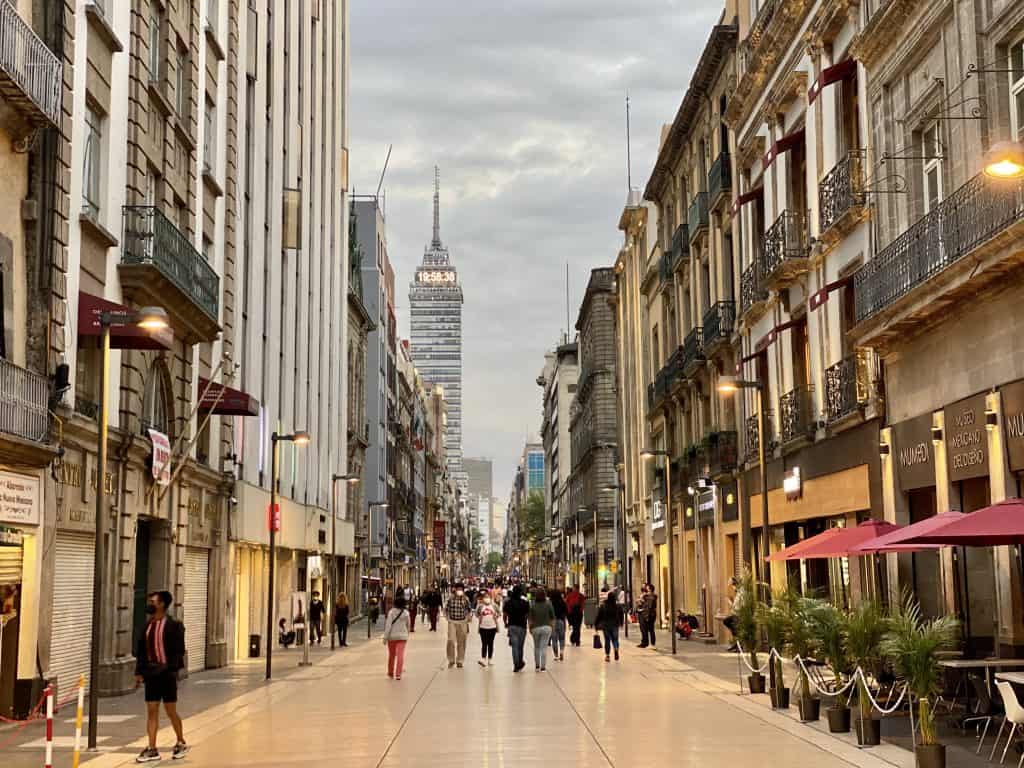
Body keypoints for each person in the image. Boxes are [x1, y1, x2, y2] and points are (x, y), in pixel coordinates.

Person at [134, 591, 188, 762]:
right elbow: (141, 651)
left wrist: (170, 669)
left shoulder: (174, 625)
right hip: (151, 674)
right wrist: (139, 671)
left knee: (170, 711)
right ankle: (152, 748)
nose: (150, 603)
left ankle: (180, 741)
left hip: (167, 674)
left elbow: (179, 651)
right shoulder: (147, 626)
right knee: (151, 710)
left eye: (153, 601)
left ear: (162, 604)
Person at [382, 593, 410, 680]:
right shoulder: (406, 613)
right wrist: (406, 634)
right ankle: (398, 674)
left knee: (392, 655)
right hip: (402, 637)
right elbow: (408, 625)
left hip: (392, 637)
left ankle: (390, 672)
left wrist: (385, 637)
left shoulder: (391, 612)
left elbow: (388, 625)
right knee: (400, 655)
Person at [527, 588, 555, 671]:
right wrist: (552, 627)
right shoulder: (548, 604)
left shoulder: (532, 605)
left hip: (535, 628)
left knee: (537, 647)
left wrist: (530, 628)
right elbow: (552, 617)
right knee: (543, 647)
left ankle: (537, 666)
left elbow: (530, 619)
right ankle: (543, 667)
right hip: (547, 627)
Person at [503, 585, 529, 672]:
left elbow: (505, 614)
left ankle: (516, 664)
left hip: (512, 626)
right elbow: (527, 615)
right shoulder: (525, 603)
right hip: (522, 626)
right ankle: (520, 662)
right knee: (520, 647)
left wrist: (505, 623)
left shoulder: (508, 602)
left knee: (514, 646)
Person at [445, 583, 471, 668]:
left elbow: (469, 609)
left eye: (461, 589)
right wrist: (447, 618)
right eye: (458, 589)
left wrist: (467, 619)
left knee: (462, 642)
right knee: (451, 640)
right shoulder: (450, 598)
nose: (459, 591)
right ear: (455, 590)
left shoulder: (465, 599)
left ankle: (460, 660)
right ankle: (451, 660)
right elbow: (446, 609)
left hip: (462, 622)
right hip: (452, 621)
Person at [596, 591, 624, 662]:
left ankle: (607, 656)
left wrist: (596, 624)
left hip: (606, 626)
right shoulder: (618, 606)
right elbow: (621, 615)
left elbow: (599, 616)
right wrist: (621, 623)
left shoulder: (603, 605)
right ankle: (616, 648)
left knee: (607, 640)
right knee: (615, 639)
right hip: (615, 625)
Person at [476, 593, 499, 667]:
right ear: (483, 599)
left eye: (488, 597)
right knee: (484, 643)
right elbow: (476, 614)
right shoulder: (480, 606)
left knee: (491, 643)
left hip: (492, 627)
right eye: (485, 597)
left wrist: (496, 616)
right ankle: (483, 658)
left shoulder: (494, 605)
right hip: (483, 627)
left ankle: (490, 659)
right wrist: (480, 616)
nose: (487, 598)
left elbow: (499, 613)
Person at [549, 588, 568, 661]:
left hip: (553, 622)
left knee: (554, 639)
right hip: (561, 621)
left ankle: (556, 655)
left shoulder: (550, 603)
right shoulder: (562, 602)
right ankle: (562, 652)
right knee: (562, 638)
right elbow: (566, 612)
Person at [639, 583, 657, 649]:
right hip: (649, 614)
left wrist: (646, 616)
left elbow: (649, 607)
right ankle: (651, 644)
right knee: (650, 629)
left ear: (649, 589)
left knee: (651, 629)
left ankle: (652, 644)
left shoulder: (651, 597)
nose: (646, 588)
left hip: (650, 615)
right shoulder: (649, 596)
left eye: (647, 587)